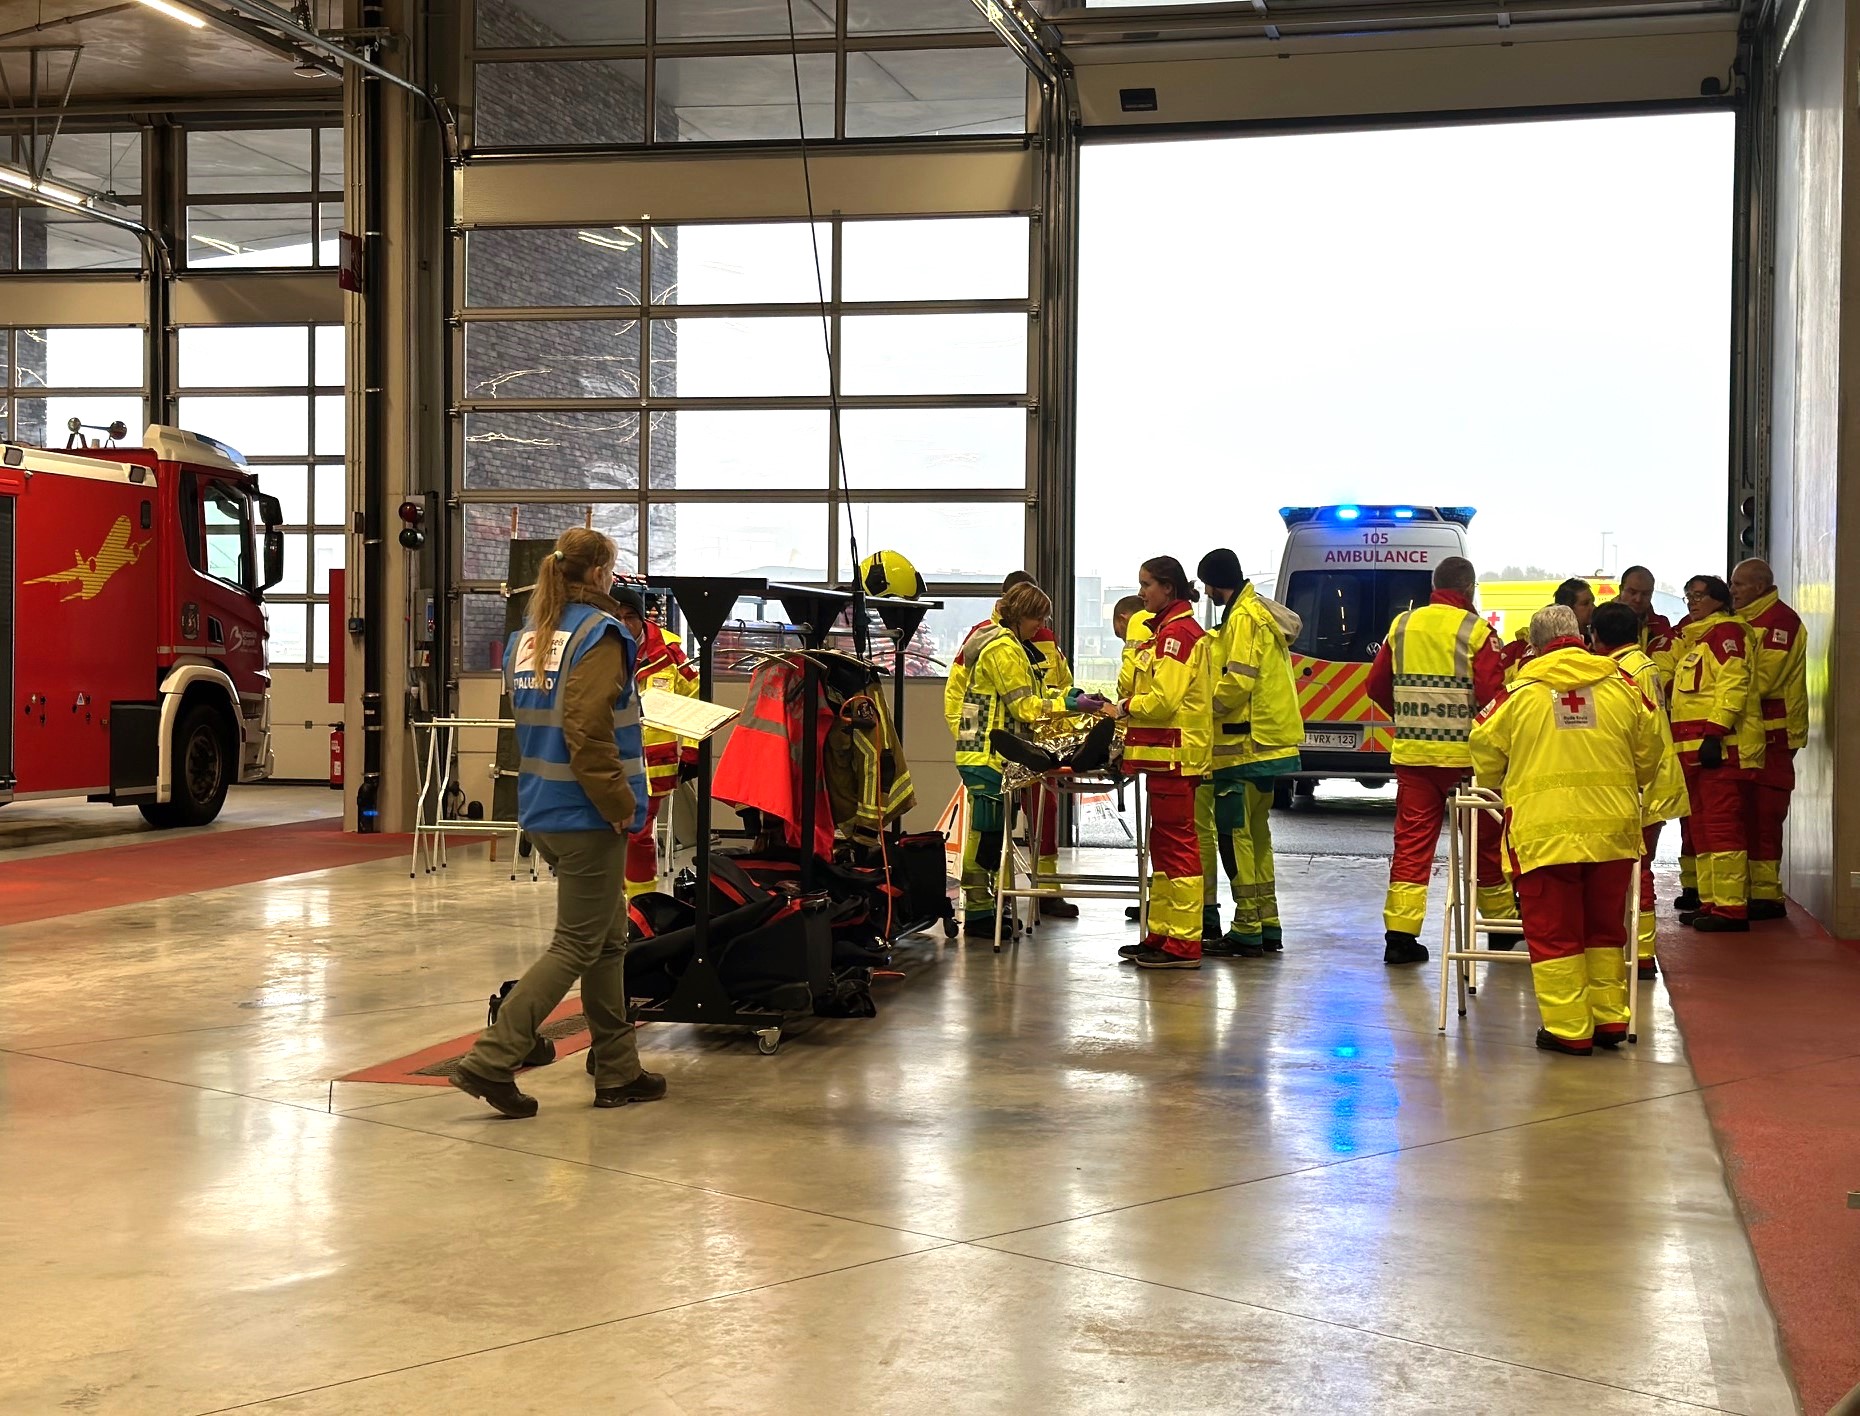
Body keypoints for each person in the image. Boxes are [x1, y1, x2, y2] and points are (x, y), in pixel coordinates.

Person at [451, 528, 659, 1118]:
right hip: (588, 812)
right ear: (597, 575)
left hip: (543, 805)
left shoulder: (529, 637)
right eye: (612, 571)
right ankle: (492, 1059)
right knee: (576, 945)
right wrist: (620, 805)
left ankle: (618, 1070)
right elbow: (587, 727)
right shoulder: (601, 635)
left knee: (607, 941)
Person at [1469, 606, 1667, 1055]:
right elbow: (1649, 752)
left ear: (1535, 647)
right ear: (1582, 636)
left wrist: (1507, 776)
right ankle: (1610, 1019)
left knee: (1555, 932)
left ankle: (1569, 1028)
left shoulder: (1519, 694)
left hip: (1545, 834)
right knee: (1604, 928)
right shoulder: (1624, 686)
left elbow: (1484, 754)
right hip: (1613, 831)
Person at [1365, 555, 1516, 965]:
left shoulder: (1402, 625)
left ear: (1433, 586)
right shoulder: (1477, 631)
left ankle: (1400, 935)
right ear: (1468, 590)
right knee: (1484, 841)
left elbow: (1375, 685)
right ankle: (1501, 927)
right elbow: (1494, 698)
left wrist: (1407, 718)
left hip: (1414, 756)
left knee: (1412, 844)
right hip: (1468, 760)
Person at [945, 578, 1079, 920]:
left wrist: (1066, 700)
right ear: (1021, 614)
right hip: (988, 754)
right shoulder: (1003, 649)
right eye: (1039, 618)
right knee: (986, 834)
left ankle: (985, 904)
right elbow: (1024, 708)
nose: (1042, 626)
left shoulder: (1012, 644)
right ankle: (979, 910)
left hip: (996, 754)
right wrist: (1067, 704)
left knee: (990, 832)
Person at [1195, 548, 1304, 958]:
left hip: (1243, 746)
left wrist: (1204, 711)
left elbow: (1238, 680)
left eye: (1207, 585)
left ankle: (1245, 927)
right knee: (1259, 835)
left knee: (1233, 835)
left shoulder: (1242, 618)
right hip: (1272, 744)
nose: (1206, 593)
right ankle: (1267, 921)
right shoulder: (1258, 612)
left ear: (1215, 581)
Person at [1106, 556, 1213, 970]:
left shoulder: (1178, 636)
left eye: (1147, 584)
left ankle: (1183, 944)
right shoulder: (1165, 632)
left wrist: (1122, 708)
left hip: (1176, 756)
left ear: (1168, 587)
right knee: (1165, 850)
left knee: (1178, 849)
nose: (1142, 592)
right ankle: (1162, 935)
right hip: (1163, 758)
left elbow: (1164, 701)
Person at [1592, 601, 1689, 978]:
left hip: (1642, 787)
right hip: (1645, 784)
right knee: (1635, 869)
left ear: (1595, 636)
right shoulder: (1639, 665)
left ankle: (1643, 954)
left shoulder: (1628, 671)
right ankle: (1638, 951)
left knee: (1637, 870)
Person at [1670, 574, 1765, 932]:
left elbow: (1733, 683)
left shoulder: (1727, 634)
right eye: (1688, 596)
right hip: (1696, 754)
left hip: (1722, 752)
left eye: (1699, 595)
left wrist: (1716, 732)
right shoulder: (1698, 639)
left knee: (1722, 829)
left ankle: (1730, 909)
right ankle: (1712, 902)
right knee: (1704, 832)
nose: (1692, 602)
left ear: (1720, 601)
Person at [610, 587, 700, 900]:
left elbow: (695, 695)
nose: (623, 622)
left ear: (642, 617)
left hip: (653, 762)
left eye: (630, 616)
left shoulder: (668, 650)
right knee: (608, 834)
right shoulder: (596, 646)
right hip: (606, 757)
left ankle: (640, 904)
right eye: (617, 616)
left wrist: (692, 749)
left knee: (637, 831)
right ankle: (613, 901)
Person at [1730, 559, 1808, 922]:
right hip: (1750, 733)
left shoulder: (1780, 621)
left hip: (1774, 734)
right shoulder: (1742, 621)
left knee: (1765, 813)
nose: (1733, 591)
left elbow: (1765, 679)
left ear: (1760, 587)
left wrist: (1721, 697)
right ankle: (1750, 890)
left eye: (1739, 585)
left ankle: (1766, 895)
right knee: (1743, 813)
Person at [1611, 564, 1676, 687]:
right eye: (1632, 592)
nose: (1638, 599)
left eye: (1645, 594)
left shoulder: (1661, 626)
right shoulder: (1601, 621)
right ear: (1620, 589)